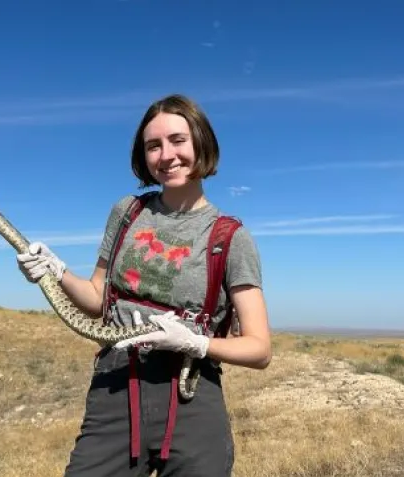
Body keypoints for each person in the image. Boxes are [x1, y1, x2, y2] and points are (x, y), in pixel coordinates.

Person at [16, 93, 271, 477]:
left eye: (177, 140)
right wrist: (55, 273)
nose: (166, 155)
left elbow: (259, 349)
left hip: (192, 391)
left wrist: (195, 343)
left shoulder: (230, 237)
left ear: (201, 141)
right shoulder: (128, 213)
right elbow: (97, 298)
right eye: (154, 145)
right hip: (118, 381)